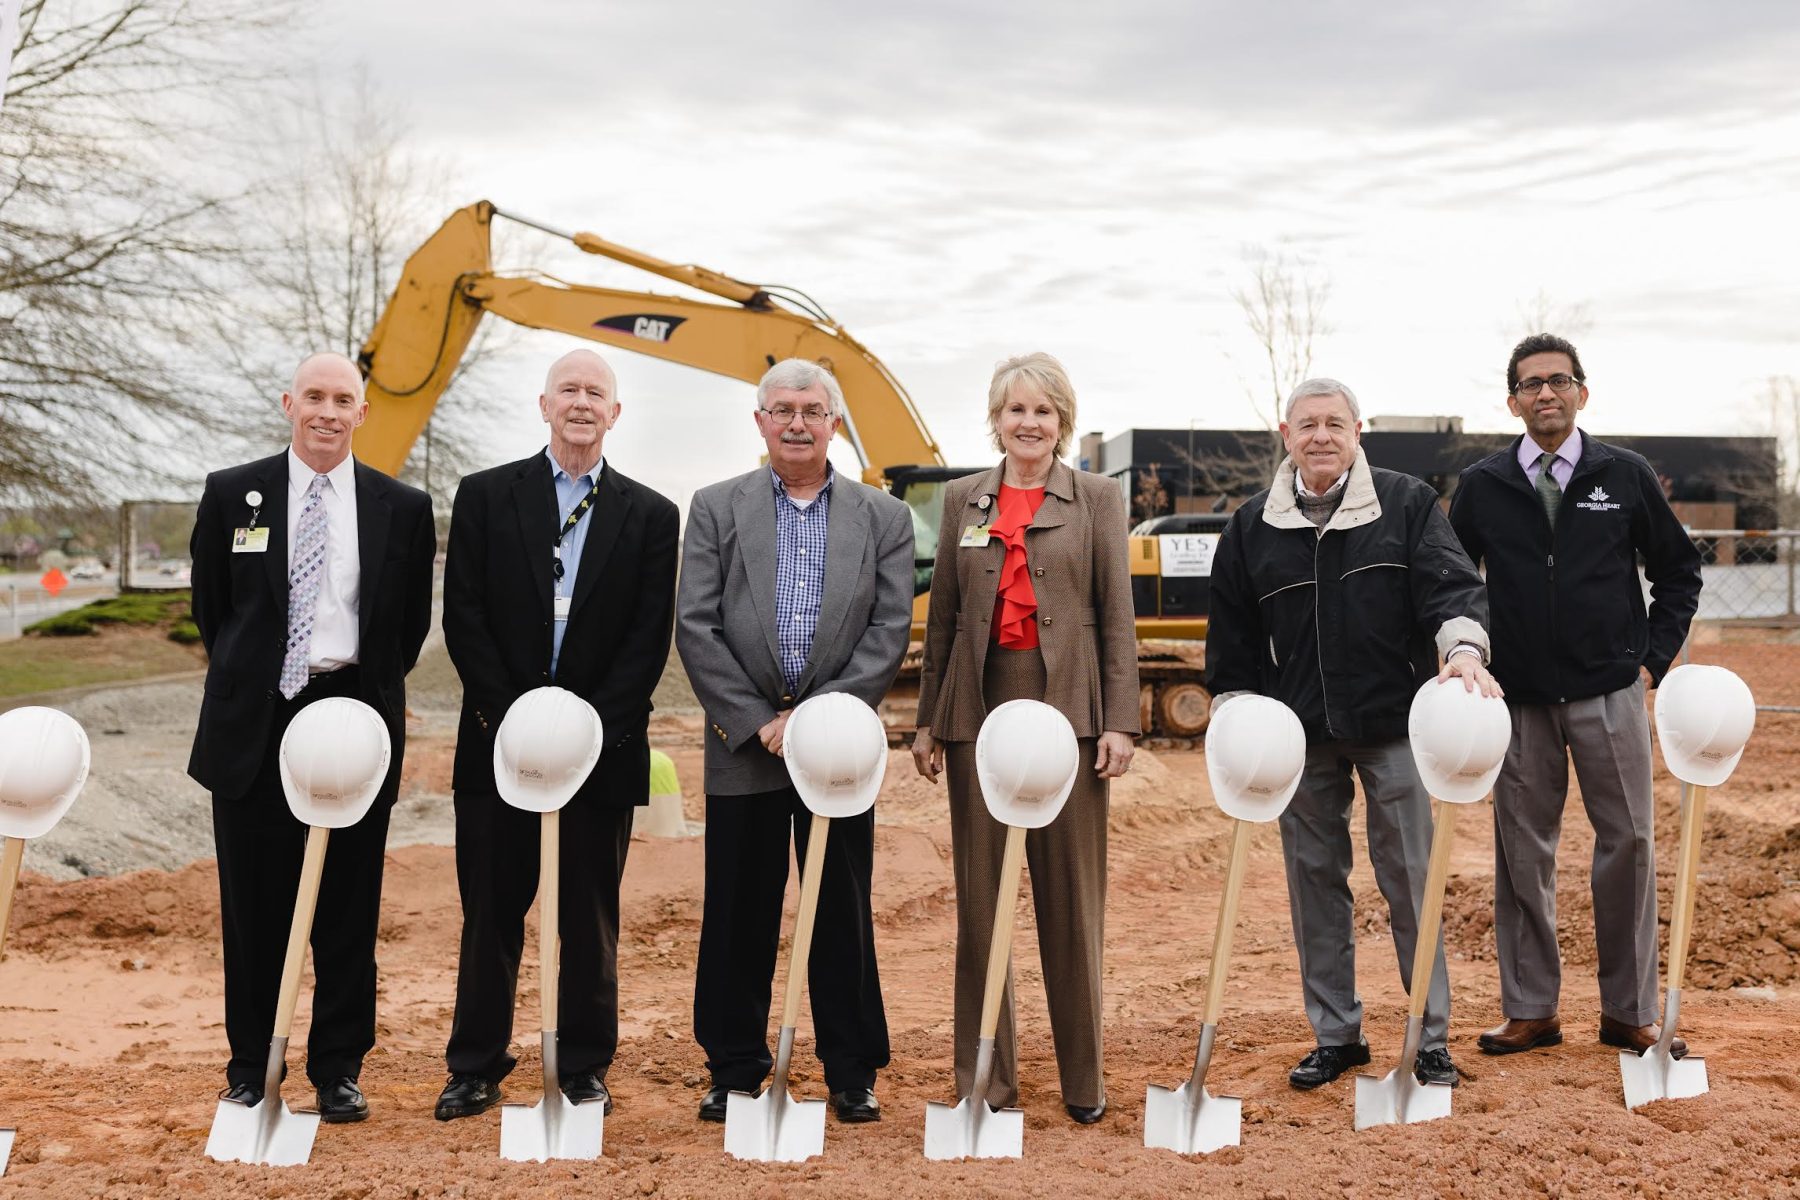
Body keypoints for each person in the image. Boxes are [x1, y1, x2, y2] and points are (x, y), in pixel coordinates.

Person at [1205, 376, 1499, 1092]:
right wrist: (1237, 711)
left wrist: (1463, 650)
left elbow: (1453, 588)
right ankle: (1336, 1035)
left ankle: (1428, 1040)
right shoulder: (1252, 526)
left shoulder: (1405, 504)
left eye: (1335, 423)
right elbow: (1233, 638)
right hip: (1299, 736)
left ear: (1357, 431)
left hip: (1396, 726)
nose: (1321, 436)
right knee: (1314, 884)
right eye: (1307, 424)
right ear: (1286, 435)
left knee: (1410, 881)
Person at [188, 351, 435, 1122]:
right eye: (315, 397)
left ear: (363, 413)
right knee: (254, 905)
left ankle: (337, 1070)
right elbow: (212, 607)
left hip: (352, 718)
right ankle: (250, 1064)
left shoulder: (402, 506)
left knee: (347, 907)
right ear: (289, 403)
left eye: (344, 400)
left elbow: (407, 626)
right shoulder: (234, 494)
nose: (328, 411)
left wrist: (358, 695)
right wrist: (263, 673)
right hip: (256, 723)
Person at [434, 348, 679, 1120]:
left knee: (589, 916)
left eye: (595, 392)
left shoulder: (650, 514)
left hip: (601, 752)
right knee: (491, 912)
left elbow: (648, 637)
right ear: (544, 406)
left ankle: (582, 1067)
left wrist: (587, 729)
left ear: (615, 413)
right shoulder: (482, 497)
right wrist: (515, 720)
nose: (580, 402)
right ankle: (475, 1064)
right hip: (497, 743)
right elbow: (463, 616)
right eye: (567, 390)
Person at [1449, 333, 1702, 1058]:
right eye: (1531, 385)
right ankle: (1532, 1009)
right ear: (1513, 401)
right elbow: (1452, 578)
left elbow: (1679, 571)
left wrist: (1647, 662)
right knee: (1521, 851)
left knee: (1628, 845)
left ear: (1582, 392)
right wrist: (1469, 655)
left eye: (1559, 381)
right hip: (1517, 699)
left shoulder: (1623, 475)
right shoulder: (1484, 484)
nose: (1546, 394)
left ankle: (1629, 1011)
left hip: (1608, 691)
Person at [677, 358, 913, 1125]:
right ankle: (733, 1067)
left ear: (835, 421)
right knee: (738, 910)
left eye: (812, 409)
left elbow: (887, 632)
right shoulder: (715, 509)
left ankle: (851, 1071)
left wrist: (816, 723)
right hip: (744, 744)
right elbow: (697, 625)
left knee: (840, 908)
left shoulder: (883, 517)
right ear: (760, 423)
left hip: (837, 750)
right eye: (781, 409)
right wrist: (757, 721)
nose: (797, 422)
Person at [910, 352, 1139, 1125]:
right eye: (1015, 410)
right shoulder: (960, 501)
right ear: (996, 420)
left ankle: (1084, 1083)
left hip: (1070, 717)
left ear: (1062, 420)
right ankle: (986, 1083)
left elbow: (1116, 618)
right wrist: (929, 723)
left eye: (1043, 411)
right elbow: (942, 616)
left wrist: (1119, 719)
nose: (1029, 423)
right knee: (984, 907)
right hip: (977, 716)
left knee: (1071, 904)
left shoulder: (1100, 498)